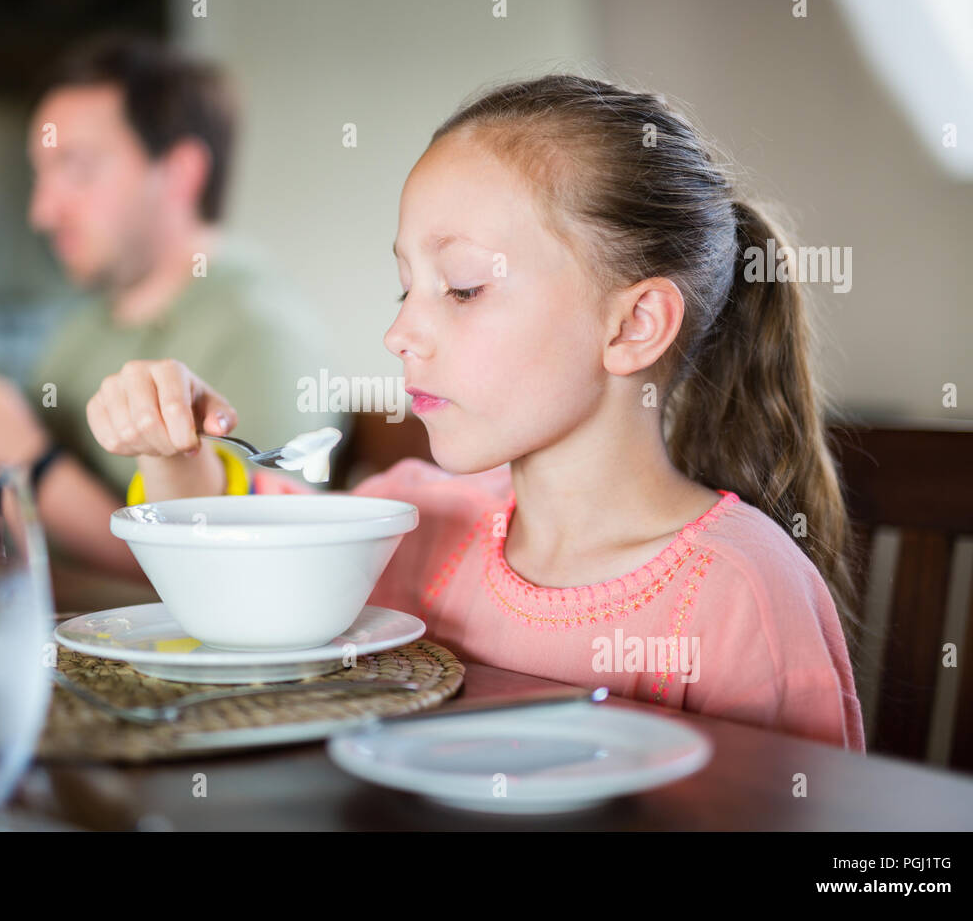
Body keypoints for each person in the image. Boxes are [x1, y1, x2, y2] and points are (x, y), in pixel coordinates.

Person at [83, 74, 866, 751]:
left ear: (632, 326)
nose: (398, 334)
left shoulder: (741, 591)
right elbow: (246, 558)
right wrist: (171, 446)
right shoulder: (417, 517)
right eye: (405, 287)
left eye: (461, 288)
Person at [0, 35, 337, 576]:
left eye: (75, 170)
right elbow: (30, 529)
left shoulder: (259, 333)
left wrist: (28, 462)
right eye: (40, 174)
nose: (42, 212)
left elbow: (242, 570)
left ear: (180, 174)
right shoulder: (81, 330)